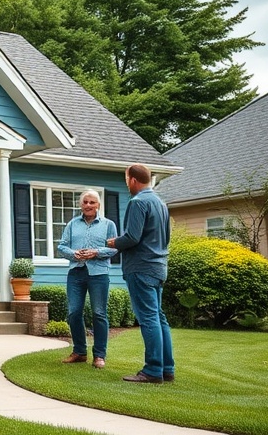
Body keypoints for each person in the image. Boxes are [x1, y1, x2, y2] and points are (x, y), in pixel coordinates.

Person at [107, 163, 175, 384]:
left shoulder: (138, 202)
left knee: (148, 318)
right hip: (158, 267)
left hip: (141, 268)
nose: (126, 183)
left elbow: (132, 238)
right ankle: (167, 368)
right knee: (158, 317)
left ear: (133, 180)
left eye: (126, 179)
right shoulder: (160, 203)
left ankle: (153, 370)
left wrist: (114, 242)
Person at [57, 190, 117, 369]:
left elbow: (114, 248)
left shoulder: (108, 225)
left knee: (99, 313)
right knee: (74, 312)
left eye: (92, 202)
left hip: (99, 273)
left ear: (98, 205)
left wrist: (96, 252)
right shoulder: (72, 224)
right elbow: (61, 246)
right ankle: (79, 352)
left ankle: (99, 355)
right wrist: (73, 254)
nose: (89, 205)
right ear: (80, 205)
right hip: (76, 272)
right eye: (85, 202)